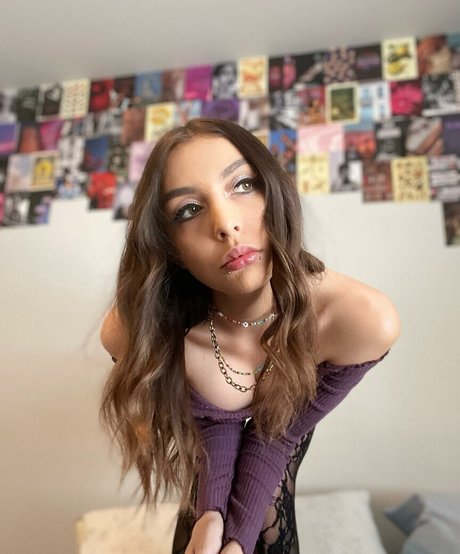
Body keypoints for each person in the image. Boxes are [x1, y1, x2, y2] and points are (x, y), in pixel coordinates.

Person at [99, 118, 400, 554]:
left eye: (242, 185)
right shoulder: (140, 330)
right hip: (205, 422)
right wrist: (210, 517)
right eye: (189, 209)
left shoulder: (359, 318)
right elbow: (213, 421)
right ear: (170, 248)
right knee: (201, 526)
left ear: (274, 191)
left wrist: (238, 539)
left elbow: (276, 435)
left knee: (268, 508)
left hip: (285, 426)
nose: (226, 225)